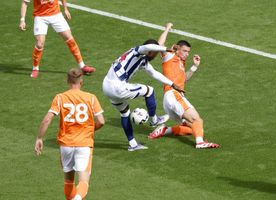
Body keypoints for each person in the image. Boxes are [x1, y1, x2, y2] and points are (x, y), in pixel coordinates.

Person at [34, 68, 105, 200]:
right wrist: (88, 130)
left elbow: (47, 119)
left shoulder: (60, 98)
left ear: (67, 81)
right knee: (84, 182)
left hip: (65, 145)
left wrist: (39, 138)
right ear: (81, 81)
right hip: (84, 144)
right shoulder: (91, 98)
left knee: (68, 181)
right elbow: (101, 121)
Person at [102, 39, 184, 151]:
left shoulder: (143, 61)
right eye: (155, 53)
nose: (155, 56)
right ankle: (153, 120)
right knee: (149, 90)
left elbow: (154, 73)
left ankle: (133, 144)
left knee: (125, 113)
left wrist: (172, 84)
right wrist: (166, 49)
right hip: (117, 86)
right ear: (150, 51)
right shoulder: (137, 51)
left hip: (106, 85)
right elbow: (147, 47)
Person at [148, 23, 219, 149]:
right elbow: (158, 46)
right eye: (185, 51)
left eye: (188, 52)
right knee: (197, 121)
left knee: (193, 128)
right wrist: (167, 29)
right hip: (173, 95)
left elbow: (184, 79)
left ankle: (165, 130)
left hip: (172, 98)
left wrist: (194, 67)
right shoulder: (170, 56)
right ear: (177, 48)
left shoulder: (181, 62)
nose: (187, 54)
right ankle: (200, 143)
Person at [19, 0, 96, 78]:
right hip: (40, 17)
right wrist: (22, 20)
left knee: (69, 38)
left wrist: (65, 9)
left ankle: (82, 66)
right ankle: (35, 69)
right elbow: (25, 3)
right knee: (39, 44)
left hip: (56, 15)